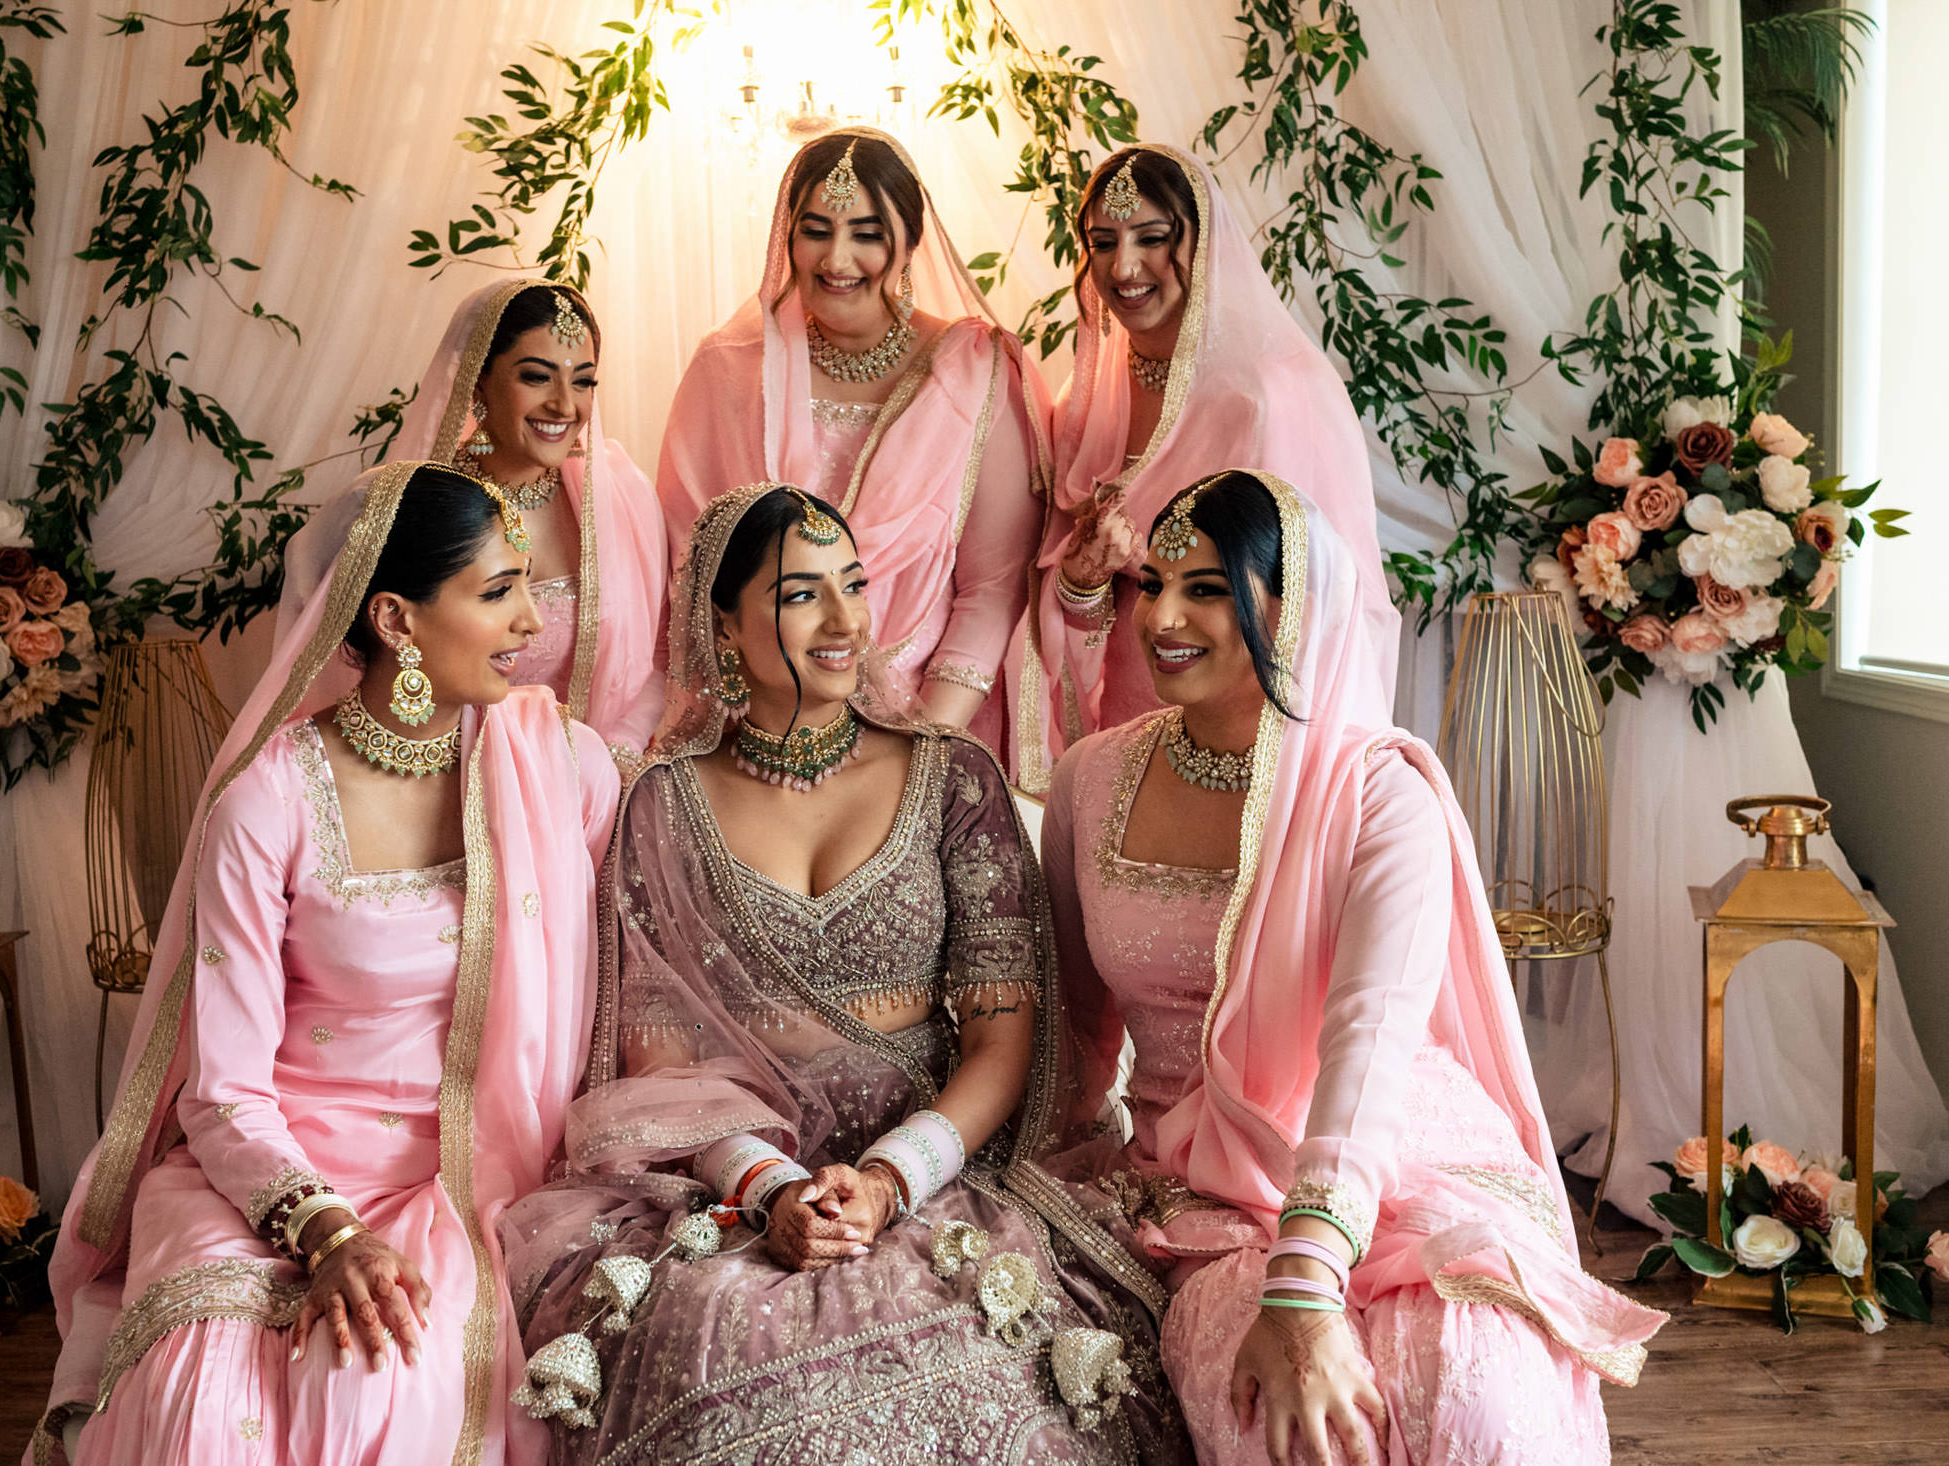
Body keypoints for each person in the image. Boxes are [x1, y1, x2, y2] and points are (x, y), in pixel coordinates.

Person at [499, 484, 1182, 1466]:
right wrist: (774, 1190)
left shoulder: (952, 776)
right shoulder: (664, 802)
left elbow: (1003, 1038)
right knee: (721, 1389)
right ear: (724, 626)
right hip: (732, 1194)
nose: (843, 619)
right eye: (800, 594)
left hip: (940, 1176)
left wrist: (885, 1179)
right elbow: (659, 1060)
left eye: (853, 585)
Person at [1044, 470, 1663, 1464]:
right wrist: (1055, 1187)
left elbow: (1368, 1040)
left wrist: (1305, 1281)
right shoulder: (1089, 779)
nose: (1160, 615)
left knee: (1473, 1405)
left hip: (1400, 1155)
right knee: (1296, 1428)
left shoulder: (1379, 790)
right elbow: (1077, 1027)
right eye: (1149, 581)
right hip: (1206, 1190)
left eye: (1206, 587)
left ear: (1294, 606)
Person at [26, 461, 620, 1465]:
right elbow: (220, 1091)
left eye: (525, 581)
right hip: (270, 1175)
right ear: (394, 617)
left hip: (466, 1174)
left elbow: (610, 988)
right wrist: (328, 1232)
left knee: (377, 1379)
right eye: (495, 590)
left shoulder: (561, 764)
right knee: (205, 1407)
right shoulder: (271, 800)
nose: (531, 621)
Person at [1009, 146, 1397, 790]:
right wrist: (1083, 578)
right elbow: (1064, 583)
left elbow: (1319, 602)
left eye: (1154, 238)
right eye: (1102, 243)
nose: (1124, 267)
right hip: (1121, 723)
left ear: (1204, 244)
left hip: (1245, 734)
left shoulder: (1271, 395)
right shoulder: (1085, 402)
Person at [654, 128, 1046, 749]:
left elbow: (993, 586)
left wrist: (922, 744)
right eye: (815, 230)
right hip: (749, 723)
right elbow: (690, 572)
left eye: (866, 234)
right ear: (788, 238)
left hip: (923, 718)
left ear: (909, 244)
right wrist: (745, 730)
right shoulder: (728, 368)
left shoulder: (976, 370)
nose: (837, 260)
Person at [388, 274, 670, 770]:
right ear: (479, 381)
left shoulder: (620, 495)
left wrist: (609, 766)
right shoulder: (423, 511)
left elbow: (661, 654)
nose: (565, 405)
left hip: (602, 789)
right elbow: (383, 671)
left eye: (583, 380)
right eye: (537, 377)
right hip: (453, 789)